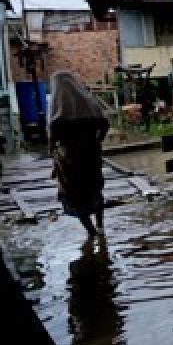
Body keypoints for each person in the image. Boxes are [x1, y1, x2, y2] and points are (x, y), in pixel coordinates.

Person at [49, 71, 109, 238]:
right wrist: (97, 141)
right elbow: (104, 124)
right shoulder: (88, 101)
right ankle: (100, 227)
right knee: (94, 189)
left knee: (74, 195)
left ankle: (91, 232)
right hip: (91, 154)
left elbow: (52, 135)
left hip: (69, 159)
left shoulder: (57, 105)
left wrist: (53, 152)